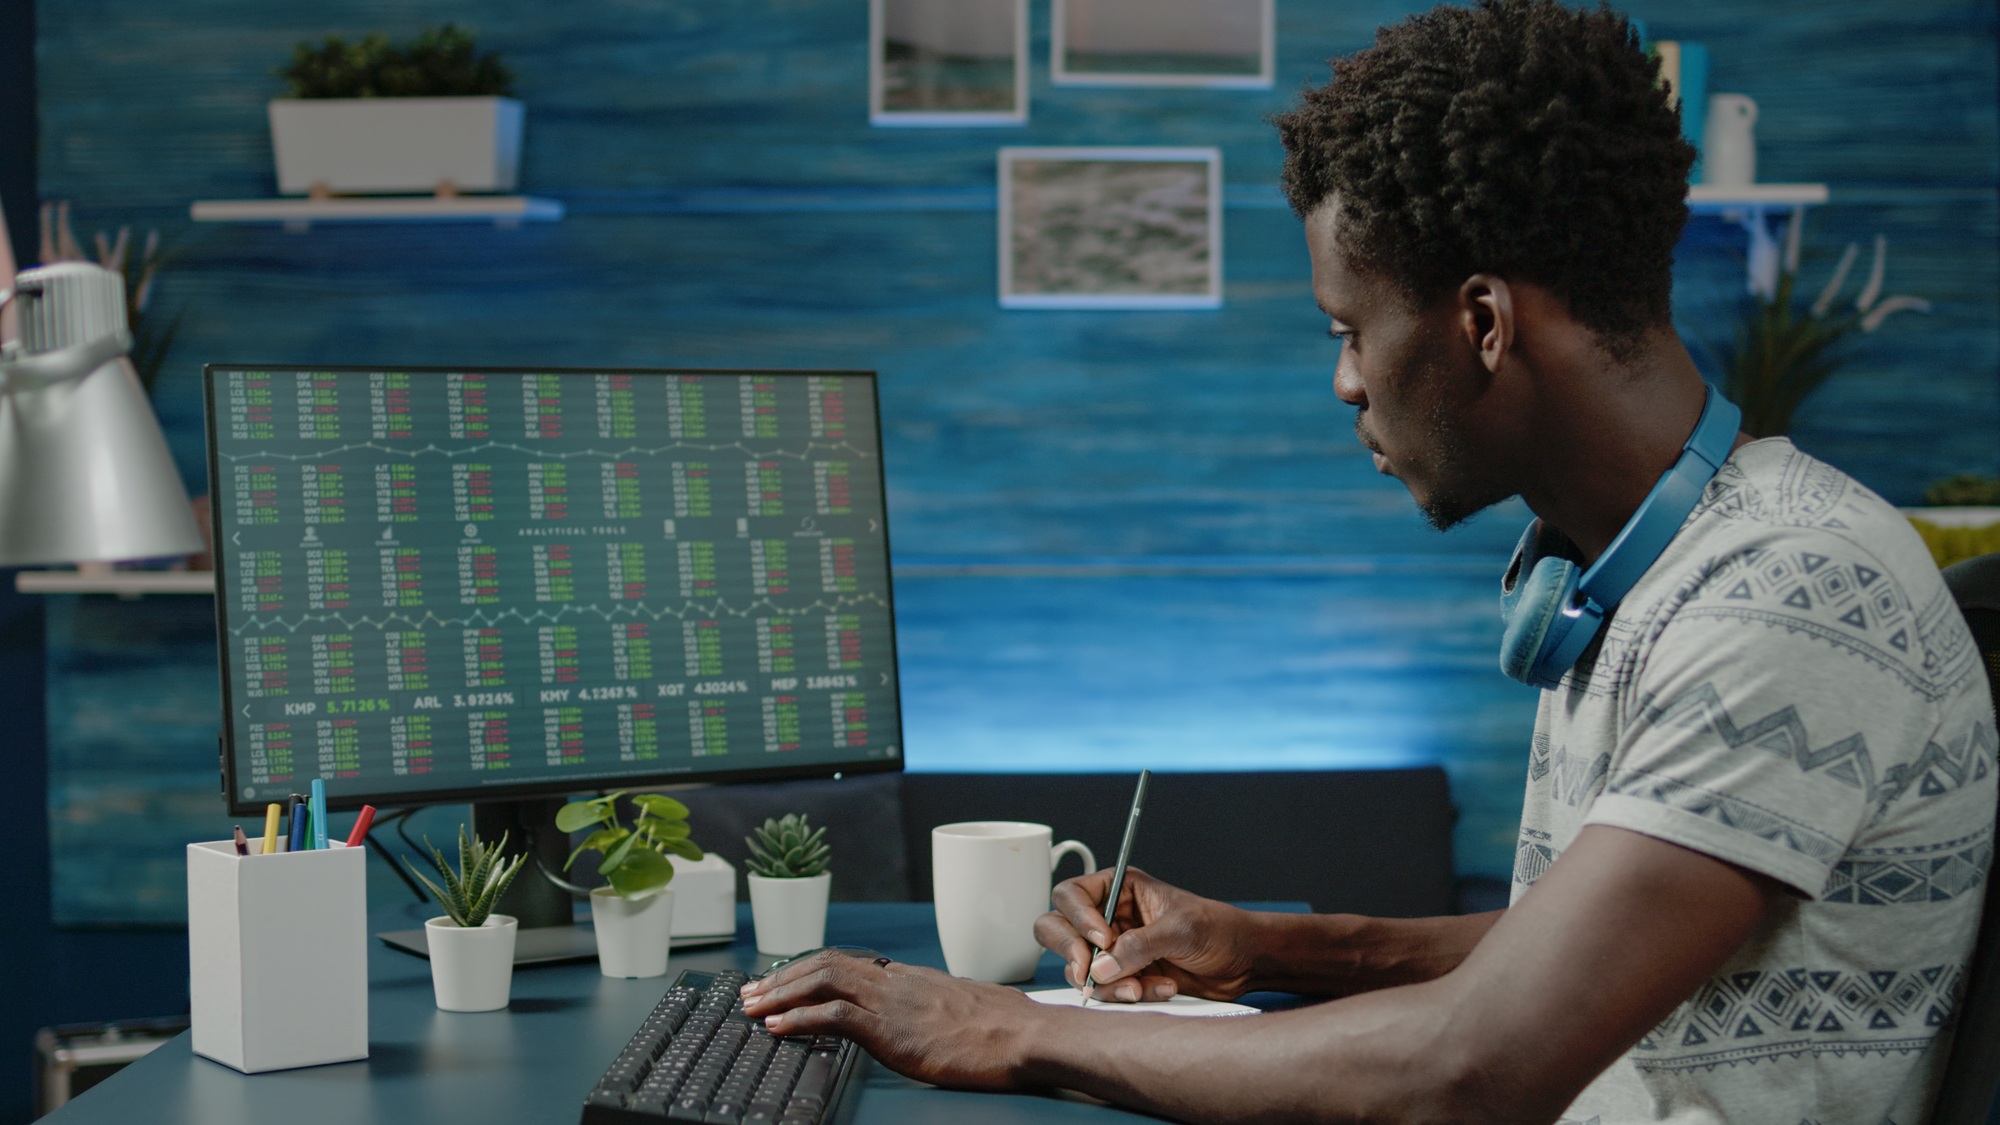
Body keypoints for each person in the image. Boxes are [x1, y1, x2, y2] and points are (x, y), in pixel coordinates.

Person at [741, 2, 1996, 1120]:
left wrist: (1011, 1031)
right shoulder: (1645, 572)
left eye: (1349, 331)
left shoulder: (1780, 596)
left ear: (1483, 324)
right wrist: (1271, 946)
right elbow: (1569, 960)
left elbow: (1474, 1068)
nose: (1342, 383)